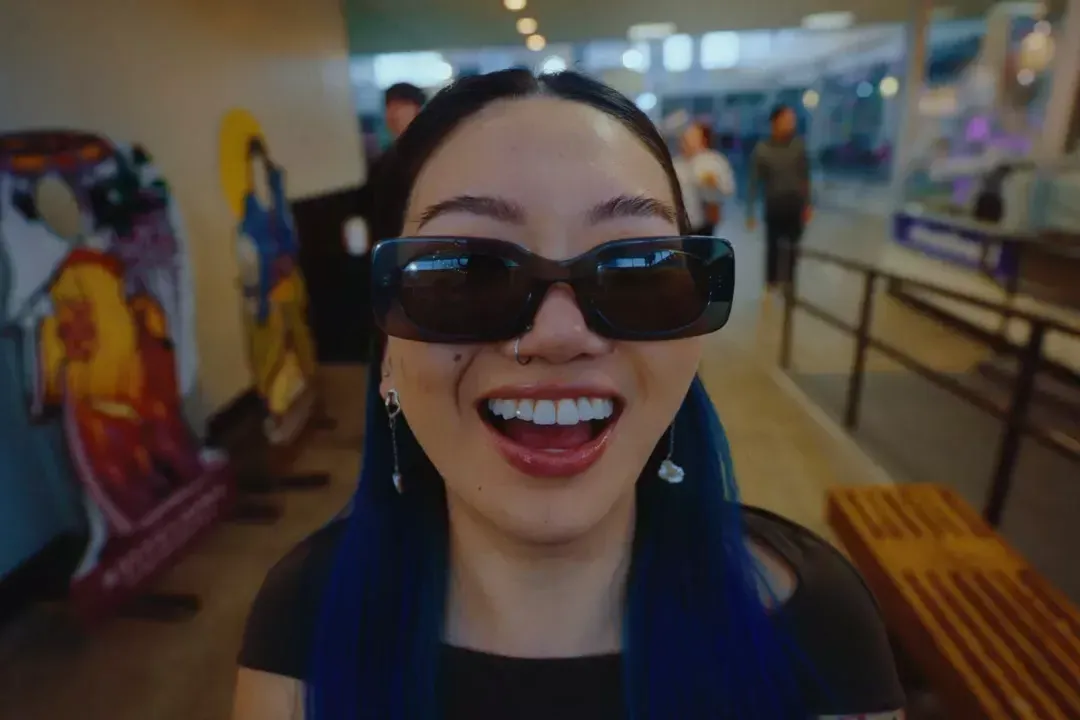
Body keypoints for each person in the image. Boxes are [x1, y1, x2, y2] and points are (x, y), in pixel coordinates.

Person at [232, 70, 904, 720]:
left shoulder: (816, 630)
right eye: (465, 271)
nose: (558, 334)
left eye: (636, 269)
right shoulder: (304, 623)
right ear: (388, 350)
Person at [746, 104, 813, 290]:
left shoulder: (798, 146)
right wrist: (750, 212)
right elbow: (753, 182)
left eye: (792, 120)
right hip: (774, 204)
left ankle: (789, 282)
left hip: (795, 204)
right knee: (773, 246)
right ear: (775, 122)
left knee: (793, 247)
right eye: (786, 119)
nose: (790, 123)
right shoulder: (762, 149)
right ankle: (771, 282)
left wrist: (808, 204)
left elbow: (805, 176)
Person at [674, 121, 736, 236]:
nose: (686, 140)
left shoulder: (714, 161)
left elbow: (728, 189)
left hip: (704, 222)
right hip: (679, 223)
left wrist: (714, 184)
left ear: (703, 139)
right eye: (685, 137)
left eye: (692, 136)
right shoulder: (676, 164)